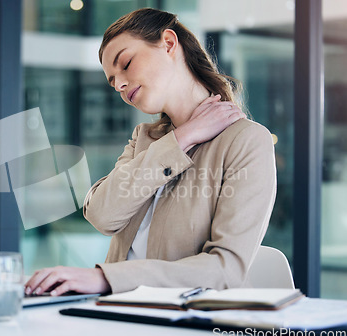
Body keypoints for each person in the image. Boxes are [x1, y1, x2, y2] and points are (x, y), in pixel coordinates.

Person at [24, 8, 276, 296]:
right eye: (112, 81)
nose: (119, 84)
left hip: (187, 322)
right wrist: (183, 138)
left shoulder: (247, 141)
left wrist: (108, 279)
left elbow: (225, 270)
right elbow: (103, 216)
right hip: (116, 311)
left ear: (168, 43)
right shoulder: (145, 139)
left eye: (126, 63)